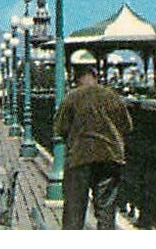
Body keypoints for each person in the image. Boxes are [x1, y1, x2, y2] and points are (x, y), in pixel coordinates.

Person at [54, 50, 132, 230]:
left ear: (76, 79)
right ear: (95, 77)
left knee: (74, 212)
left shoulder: (71, 98)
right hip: (110, 157)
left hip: (79, 158)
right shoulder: (112, 96)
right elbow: (127, 126)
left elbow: (60, 128)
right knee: (106, 212)